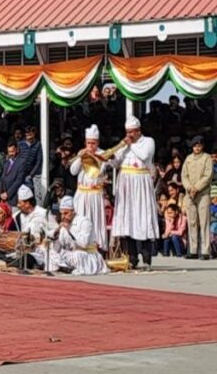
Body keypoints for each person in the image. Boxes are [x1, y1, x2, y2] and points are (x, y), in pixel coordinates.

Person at [111, 116, 160, 270]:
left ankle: (146, 258)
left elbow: (145, 156)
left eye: (131, 132)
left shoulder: (148, 141)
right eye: (127, 132)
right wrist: (111, 155)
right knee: (128, 220)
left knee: (142, 218)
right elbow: (115, 162)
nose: (129, 135)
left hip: (141, 182)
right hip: (126, 184)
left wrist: (130, 144)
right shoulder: (125, 144)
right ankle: (132, 258)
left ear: (138, 131)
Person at [40, 196, 109, 275]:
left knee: (77, 255)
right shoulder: (64, 225)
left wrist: (69, 230)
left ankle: (66, 267)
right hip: (71, 254)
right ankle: (60, 269)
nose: (63, 217)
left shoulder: (84, 222)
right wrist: (57, 231)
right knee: (49, 250)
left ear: (73, 211)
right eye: (61, 214)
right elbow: (59, 245)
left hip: (87, 255)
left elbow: (84, 244)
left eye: (66, 213)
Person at [70, 124, 108, 255]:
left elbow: (104, 168)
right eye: (88, 143)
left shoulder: (102, 154)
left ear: (97, 142)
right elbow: (73, 171)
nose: (90, 146)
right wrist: (80, 158)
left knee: (96, 221)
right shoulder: (82, 153)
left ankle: (97, 247)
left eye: (93, 143)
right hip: (81, 194)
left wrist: (96, 157)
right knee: (81, 219)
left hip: (95, 194)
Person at [180, 135, 213, 260]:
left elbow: (208, 175)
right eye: (195, 145)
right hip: (190, 194)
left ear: (202, 146)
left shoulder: (207, 158)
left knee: (204, 222)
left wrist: (196, 188)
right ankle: (193, 250)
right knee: (192, 221)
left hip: (203, 193)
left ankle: (205, 250)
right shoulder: (188, 159)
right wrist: (189, 188)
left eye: (199, 145)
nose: (197, 147)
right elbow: (184, 176)